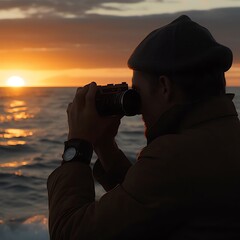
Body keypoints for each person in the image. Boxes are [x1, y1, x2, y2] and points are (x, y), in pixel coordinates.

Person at [47, 15, 240, 239]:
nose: (138, 109)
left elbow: (69, 233)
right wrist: (105, 146)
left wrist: (77, 147)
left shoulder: (173, 157)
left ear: (164, 87)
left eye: (137, 93)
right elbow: (150, 201)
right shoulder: (223, 138)